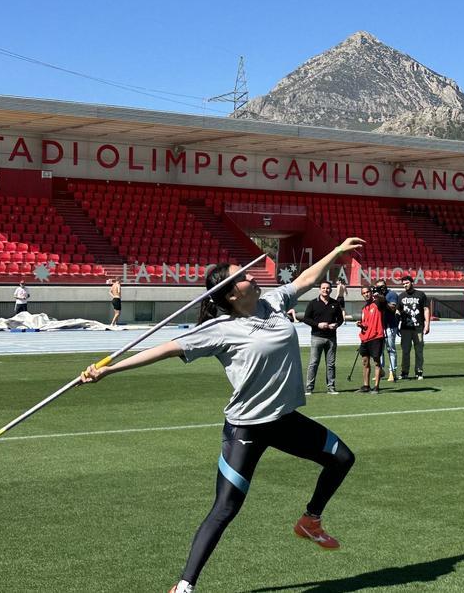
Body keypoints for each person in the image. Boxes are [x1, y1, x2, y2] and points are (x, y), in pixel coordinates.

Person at [79, 236, 364, 593]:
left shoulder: (272, 302)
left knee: (342, 459)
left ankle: (311, 520)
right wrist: (108, 370)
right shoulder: (218, 330)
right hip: (246, 429)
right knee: (225, 509)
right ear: (232, 294)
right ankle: (184, 586)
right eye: (243, 275)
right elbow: (165, 349)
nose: (253, 276)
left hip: (284, 420)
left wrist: (336, 253)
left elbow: (304, 279)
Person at [302, 281, 345, 395]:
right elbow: (306, 319)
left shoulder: (335, 303)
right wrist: (318, 325)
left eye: (327, 288)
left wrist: (336, 325)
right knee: (313, 363)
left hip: (331, 338)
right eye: (323, 288)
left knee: (331, 364)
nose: (325, 290)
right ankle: (309, 388)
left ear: (331, 290)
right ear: (319, 289)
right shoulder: (312, 303)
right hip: (317, 337)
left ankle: (331, 387)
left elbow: (340, 319)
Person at [398, 274, 431, 380]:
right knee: (405, 351)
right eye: (403, 284)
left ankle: (419, 371)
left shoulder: (421, 295)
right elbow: (398, 311)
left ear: (412, 282)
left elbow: (426, 309)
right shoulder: (401, 296)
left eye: (407, 283)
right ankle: (404, 372)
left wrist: (427, 324)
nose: (405, 285)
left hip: (418, 328)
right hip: (405, 328)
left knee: (419, 351)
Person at [356, 284, 386, 393]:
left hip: (377, 337)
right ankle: (366, 386)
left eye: (367, 292)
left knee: (377, 362)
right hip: (365, 337)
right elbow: (366, 323)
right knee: (365, 362)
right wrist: (361, 325)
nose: (366, 294)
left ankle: (376, 386)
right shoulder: (364, 308)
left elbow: (383, 301)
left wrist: (379, 295)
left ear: (371, 292)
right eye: (363, 293)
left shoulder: (377, 303)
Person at [374, 279, 401, 381]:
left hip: (390, 325)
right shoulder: (375, 295)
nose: (381, 289)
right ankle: (380, 370)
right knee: (379, 350)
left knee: (391, 349)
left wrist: (382, 299)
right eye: (379, 287)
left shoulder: (391, 294)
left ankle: (392, 371)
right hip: (379, 326)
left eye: (383, 286)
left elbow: (393, 308)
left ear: (386, 286)